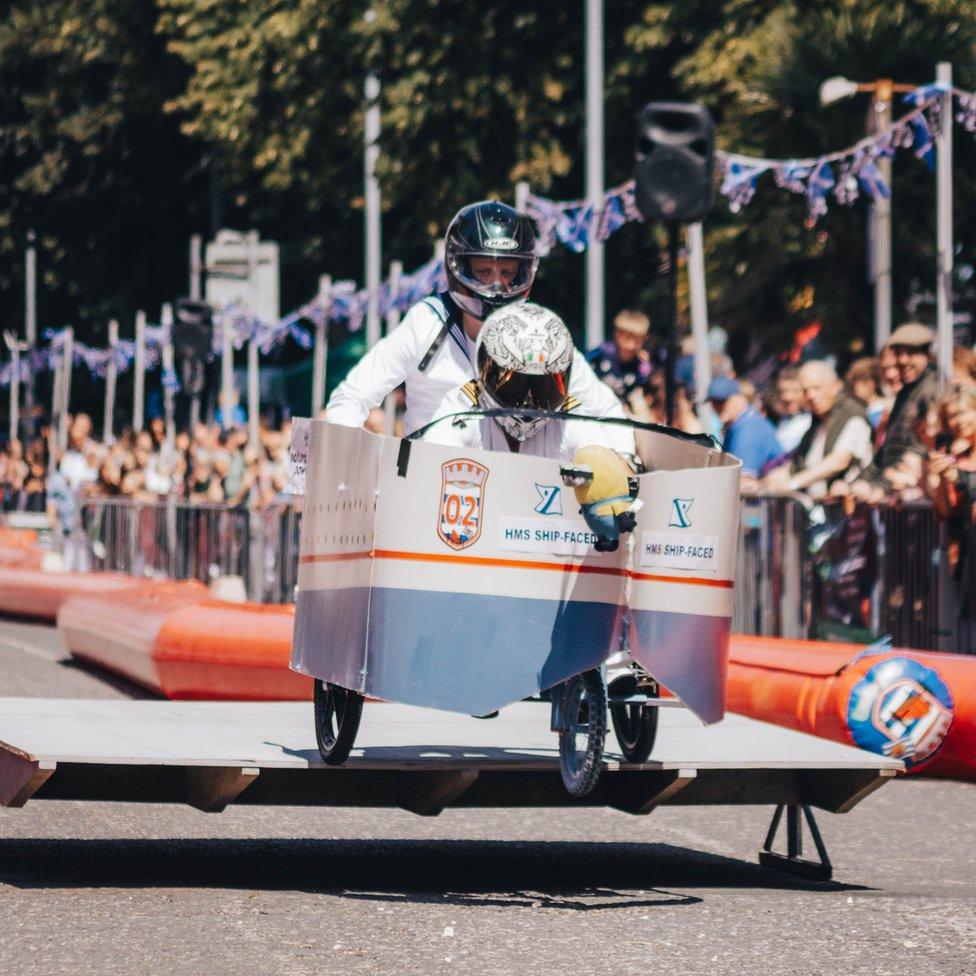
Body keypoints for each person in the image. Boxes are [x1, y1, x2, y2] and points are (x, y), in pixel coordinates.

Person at [326, 200, 632, 453]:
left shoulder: (540, 334)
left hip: (520, 496)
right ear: (459, 267)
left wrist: (625, 465)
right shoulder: (427, 322)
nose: (497, 286)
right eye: (484, 271)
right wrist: (352, 463)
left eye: (508, 271)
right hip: (432, 485)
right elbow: (351, 397)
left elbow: (607, 413)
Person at [426, 303, 635, 461]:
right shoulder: (463, 408)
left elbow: (600, 455)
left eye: (542, 387)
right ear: (484, 370)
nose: (528, 404)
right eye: (514, 384)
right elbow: (436, 452)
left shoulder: (570, 419)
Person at [847, 323, 939, 502]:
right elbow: (887, 450)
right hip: (893, 494)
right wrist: (860, 482)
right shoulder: (906, 392)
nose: (903, 360)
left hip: (913, 496)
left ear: (927, 355)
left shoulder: (930, 391)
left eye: (911, 353)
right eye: (898, 353)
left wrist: (879, 486)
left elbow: (919, 448)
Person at [764, 361, 872, 499]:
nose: (811, 395)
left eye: (817, 388)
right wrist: (762, 483)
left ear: (835, 386)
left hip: (849, 513)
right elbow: (796, 467)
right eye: (805, 390)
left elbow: (838, 461)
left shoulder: (852, 415)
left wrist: (793, 484)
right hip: (821, 511)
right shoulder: (816, 422)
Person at [707, 376, 782, 484]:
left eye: (722, 401)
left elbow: (743, 482)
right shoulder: (739, 423)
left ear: (740, 398)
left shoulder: (749, 427)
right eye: (714, 402)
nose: (718, 407)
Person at [586, 309, 652, 404]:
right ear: (617, 333)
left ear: (645, 339)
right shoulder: (599, 354)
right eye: (627, 337)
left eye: (637, 339)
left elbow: (639, 399)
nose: (631, 345)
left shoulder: (642, 369)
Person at [771, 366, 811, 453]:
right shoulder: (785, 418)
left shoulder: (809, 423)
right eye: (782, 391)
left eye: (794, 391)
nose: (787, 397)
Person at [845, 356, 886, 429]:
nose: (854, 388)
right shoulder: (867, 409)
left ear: (870, 384)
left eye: (856, 382)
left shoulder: (883, 409)